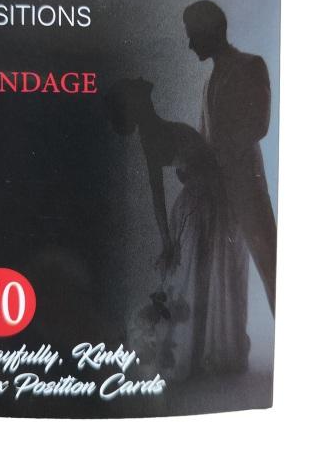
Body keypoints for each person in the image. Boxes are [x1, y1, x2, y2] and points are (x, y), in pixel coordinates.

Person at [107, 78, 249, 380]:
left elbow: (183, 177)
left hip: (206, 202)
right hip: (199, 204)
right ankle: (185, 349)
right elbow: (157, 192)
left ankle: (192, 350)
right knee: (189, 274)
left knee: (193, 274)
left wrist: (168, 238)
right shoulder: (153, 136)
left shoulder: (160, 132)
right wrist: (166, 238)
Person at [183, 0, 277, 317]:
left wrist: (214, 160)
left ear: (211, 31)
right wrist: (193, 165)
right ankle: (232, 343)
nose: (190, 44)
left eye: (193, 34)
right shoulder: (207, 82)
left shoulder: (251, 65)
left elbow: (259, 125)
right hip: (216, 195)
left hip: (247, 190)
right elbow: (204, 137)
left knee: (272, 268)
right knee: (226, 279)